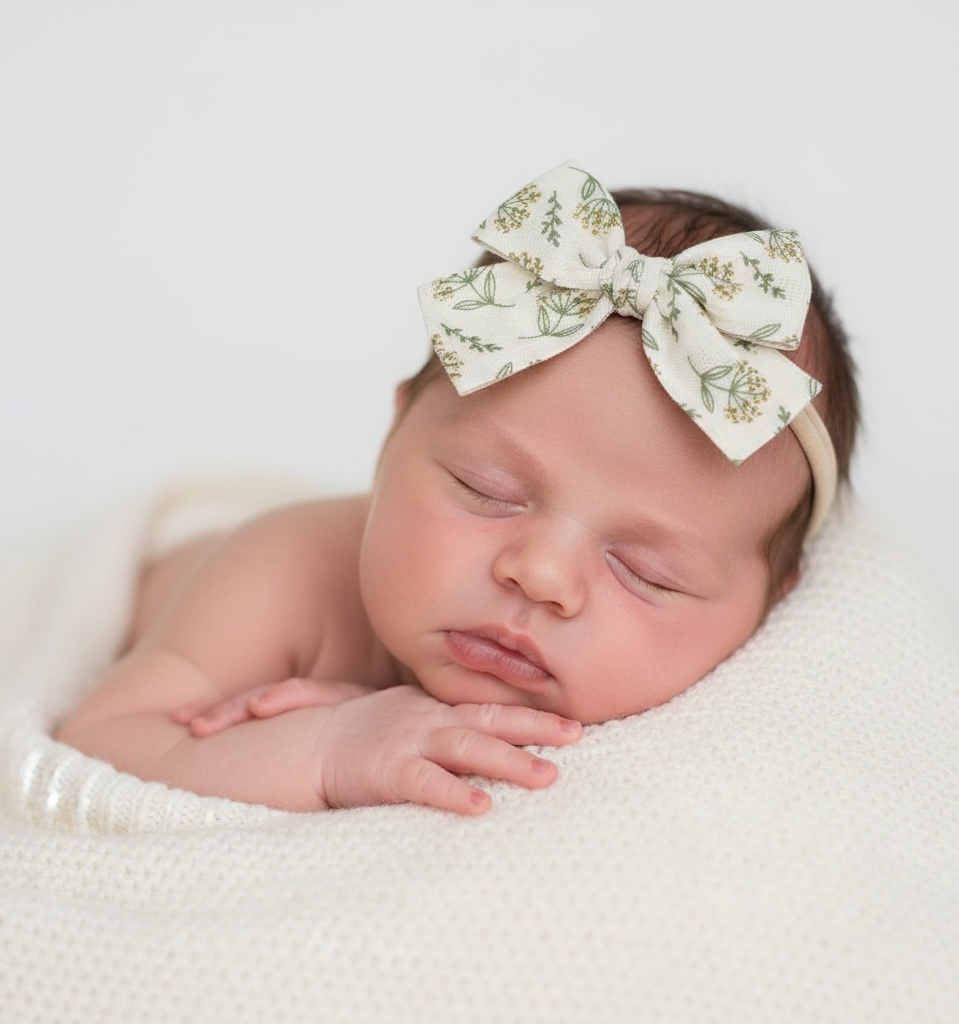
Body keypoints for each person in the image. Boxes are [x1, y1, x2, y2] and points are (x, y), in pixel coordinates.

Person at [54, 161, 859, 816]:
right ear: (393, 437)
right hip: (170, 575)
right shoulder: (284, 573)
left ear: (771, 605)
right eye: (487, 489)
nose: (538, 575)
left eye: (648, 571)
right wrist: (330, 747)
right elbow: (100, 745)